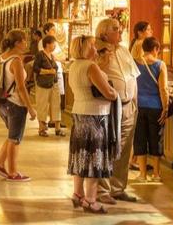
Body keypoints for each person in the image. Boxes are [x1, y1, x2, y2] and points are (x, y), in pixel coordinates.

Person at [67, 34, 120, 214]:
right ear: (85, 48)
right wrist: (114, 92)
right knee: (94, 158)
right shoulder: (91, 67)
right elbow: (108, 93)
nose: (95, 49)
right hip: (95, 117)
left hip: (79, 114)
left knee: (81, 154)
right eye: (92, 45)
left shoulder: (74, 65)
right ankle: (90, 200)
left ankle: (77, 193)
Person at [93, 18, 141, 204]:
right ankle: (102, 189)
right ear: (104, 32)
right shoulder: (97, 51)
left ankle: (118, 187)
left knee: (123, 148)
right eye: (116, 29)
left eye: (120, 29)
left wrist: (135, 102)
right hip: (108, 107)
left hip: (129, 106)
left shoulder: (123, 50)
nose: (120, 32)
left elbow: (133, 76)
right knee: (105, 147)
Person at [0, 29, 37, 182]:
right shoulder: (16, 60)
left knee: (11, 136)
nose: (26, 43)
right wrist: (30, 107)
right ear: (17, 43)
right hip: (15, 103)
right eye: (24, 40)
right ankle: (13, 172)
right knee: (15, 139)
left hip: (2, 102)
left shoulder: (2, 57)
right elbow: (21, 87)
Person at [134, 36, 169, 183]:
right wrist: (166, 107)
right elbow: (163, 89)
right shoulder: (160, 65)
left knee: (140, 139)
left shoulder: (135, 64)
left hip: (139, 107)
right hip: (155, 106)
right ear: (156, 49)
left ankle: (142, 174)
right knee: (156, 139)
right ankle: (156, 173)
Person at [33, 35, 64, 137]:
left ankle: (57, 128)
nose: (54, 46)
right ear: (47, 44)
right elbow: (36, 69)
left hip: (53, 83)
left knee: (56, 104)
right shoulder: (40, 55)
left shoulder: (52, 55)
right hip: (43, 84)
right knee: (42, 105)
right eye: (53, 43)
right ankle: (42, 129)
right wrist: (48, 71)